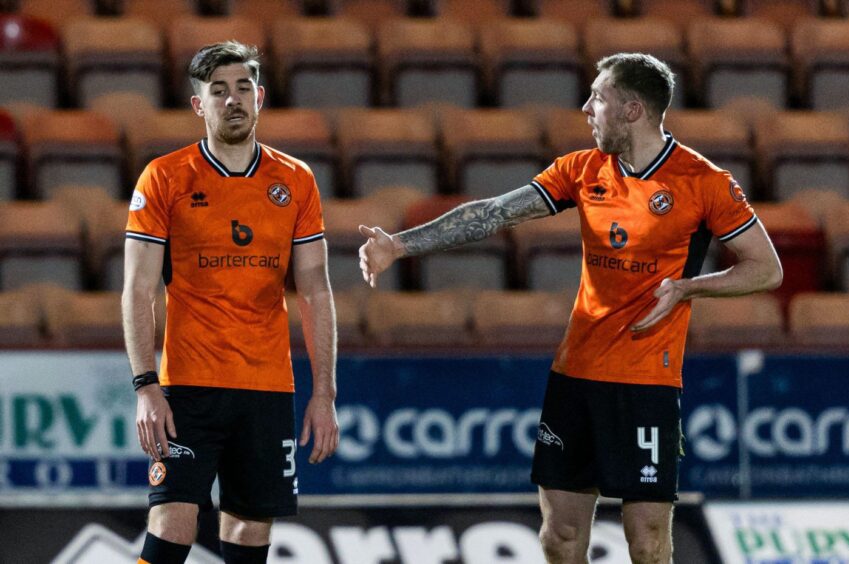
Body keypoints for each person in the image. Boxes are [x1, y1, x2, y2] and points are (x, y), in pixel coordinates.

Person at [358, 52, 782, 564]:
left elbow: (766, 268)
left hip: (646, 380)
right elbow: (493, 214)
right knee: (559, 536)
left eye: (598, 98)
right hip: (575, 374)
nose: (585, 107)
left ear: (631, 110)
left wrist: (690, 288)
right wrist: (399, 246)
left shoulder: (704, 181)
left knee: (647, 542)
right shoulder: (582, 170)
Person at [122, 41, 339, 564]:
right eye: (218, 91)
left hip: (265, 387)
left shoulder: (296, 180)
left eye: (244, 88)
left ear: (260, 97)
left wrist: (324, 392)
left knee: (248, 532)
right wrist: (145, 385)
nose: (233, 100)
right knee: (172, 519)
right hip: (188, 386)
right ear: (199, 105)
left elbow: (315, 289)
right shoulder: (164, 177)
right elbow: (137, 287)